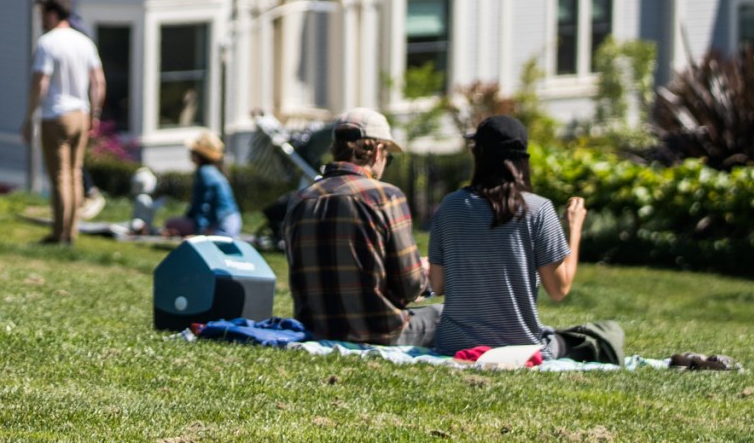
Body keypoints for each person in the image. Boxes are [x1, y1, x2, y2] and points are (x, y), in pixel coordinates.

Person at [428, 114, 624, 364]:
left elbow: (438, 284)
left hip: (453, 344)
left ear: (478, 154)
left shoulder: (449, 207)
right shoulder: (538, 209)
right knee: (606, 332)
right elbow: (559, 289)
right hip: (519, 347)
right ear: (522, 159)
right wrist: (574, 229)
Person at [279, 107, 441, 347]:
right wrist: (425, 272)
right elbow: (409, 286)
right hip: (382, 332)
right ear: (376, 151)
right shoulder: (385, 196)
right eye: (389, 156)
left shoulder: (300, 200)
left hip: (316, 330)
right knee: (450, 313)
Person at [22, 0, 104, 244]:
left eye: (42, 14)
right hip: (81, 113)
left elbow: (41, 82)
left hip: (57, 114)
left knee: (59, 176)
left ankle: (60, 234)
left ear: (52, 14)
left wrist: (29, 115)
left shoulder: (48, 42)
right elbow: (98, 82)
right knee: (75, 174)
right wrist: (95, 114)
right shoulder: (84, 42)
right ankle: (72, 231)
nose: (40, 20)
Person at [184, 131, 242, 238]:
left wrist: (199, 232)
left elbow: (203, 204)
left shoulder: (205, 172)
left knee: (173, 223)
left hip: (221, 225)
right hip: (232, 222)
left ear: (199, 155)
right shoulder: (214, 171)